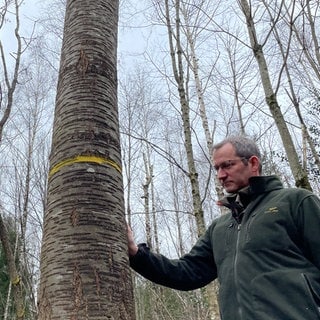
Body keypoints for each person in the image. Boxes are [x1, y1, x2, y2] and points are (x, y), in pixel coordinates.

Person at [127, 135, 320, 320]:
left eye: (227, 165)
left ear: (253, 163)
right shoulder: (219, 228)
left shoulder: (296, 202)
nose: (220, 175)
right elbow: (186, 272)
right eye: (217, 168)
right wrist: (136, 254)